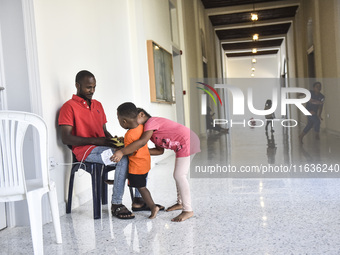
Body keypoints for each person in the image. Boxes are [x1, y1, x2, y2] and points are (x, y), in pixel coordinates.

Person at [58, 70, 143, 219]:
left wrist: (115, 142)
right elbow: (66, 138)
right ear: (77, 85)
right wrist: (98, 141)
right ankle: (116, 204)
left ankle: (139, 199)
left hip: (101, 147)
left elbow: (103, 132)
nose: (92, 91)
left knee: (135, 152)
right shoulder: (68, 107)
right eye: (88, 87)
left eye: (94, 87)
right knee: (121, 158)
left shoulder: (98, 105)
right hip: (85, 151)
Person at [111, 108, 201, 222]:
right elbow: (159, 151)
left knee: (179, 175)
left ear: (142, 115)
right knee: (177, 175)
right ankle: (180, 203)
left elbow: (142, 142)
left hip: (187, 140)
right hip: (181, 144)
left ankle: (188, 210)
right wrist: (133, 150)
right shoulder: (152, 133)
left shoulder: (151, 122)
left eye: (135, 118)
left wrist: (122, 151)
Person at [114, 102, 161, 219]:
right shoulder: (142, 128)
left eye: (118, 119)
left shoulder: (129, 135)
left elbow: (129, 152)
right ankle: (140, 203)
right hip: (145, 163)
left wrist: (121, 149)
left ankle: (152, 206)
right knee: (141, 184)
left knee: (142, 188)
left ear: (124, 122)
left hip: (137, 167)